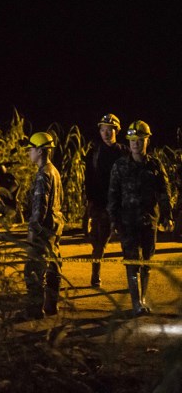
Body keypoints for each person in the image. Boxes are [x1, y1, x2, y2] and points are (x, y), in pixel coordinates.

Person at [107, 120, 173, 316]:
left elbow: (164, 192)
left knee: (147, 261)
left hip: (149, 221)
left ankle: (143, 298)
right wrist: (114, 220)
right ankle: (137, 303)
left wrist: (167, 216)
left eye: (140, 140)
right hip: (127, 222)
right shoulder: (120, 165)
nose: (135, 143)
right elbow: (113, 194)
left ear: (147, 141)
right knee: (132, 261)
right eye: (132, 140)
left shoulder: (155, 165)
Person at [22, 132, 65, 319]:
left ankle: (34, 310)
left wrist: (33, 231)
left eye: (31, 149)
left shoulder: (43, 174)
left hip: (43, 229)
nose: (29, 153)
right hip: (55, 226)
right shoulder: (54, 171)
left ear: (40, 150)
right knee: (53, 266)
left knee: (33, 269)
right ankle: (51, 306)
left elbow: (40, 207)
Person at [84, 113, 128, 287]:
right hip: (101, 205)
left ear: (116, 130)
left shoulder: (125, 152)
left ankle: (133, 280)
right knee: (98, 243)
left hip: (123, 205)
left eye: (109, 130)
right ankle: (96, 275)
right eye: (103, 130)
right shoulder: (94, 153)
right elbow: (88, 180)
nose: (106, 133)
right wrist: (89, 203)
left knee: (129, 244)